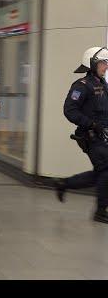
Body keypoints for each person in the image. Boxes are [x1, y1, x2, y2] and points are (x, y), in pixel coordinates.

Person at [55, 46, 108, 223]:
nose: (106, 67)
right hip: (90, 137)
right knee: (106, 169)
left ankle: (64, 184)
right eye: (103, 63)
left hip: (103, 136)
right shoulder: (81, 86)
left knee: (102, 172)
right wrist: (91, 124)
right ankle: (100, 211)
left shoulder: (102, 83)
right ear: (92, 63)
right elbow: (69, 110)